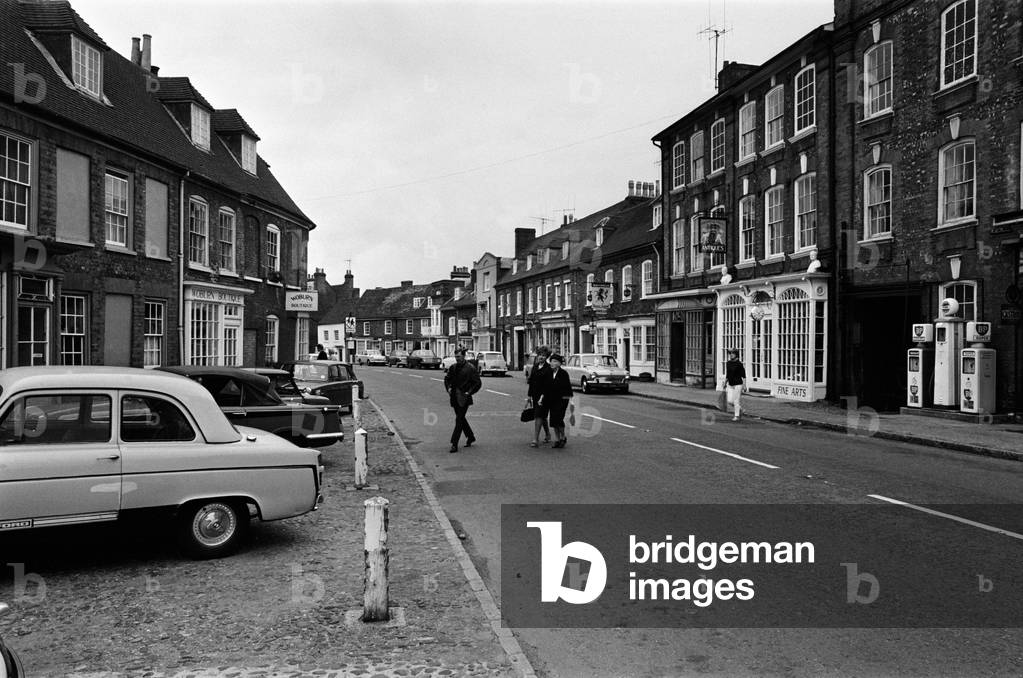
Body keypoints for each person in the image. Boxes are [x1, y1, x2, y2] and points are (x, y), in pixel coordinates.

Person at [444, 348, 482, 453]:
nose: (457, 359)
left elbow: (477, 383)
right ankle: (470, 436)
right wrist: (449, 388)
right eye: (456, 357)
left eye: (459, 357)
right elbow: (447, 379)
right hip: (455, 398)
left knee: (459, 419)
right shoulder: (453, 367)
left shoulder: (470, 368)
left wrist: (469, 392)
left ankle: (454, 444)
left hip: (464, 398)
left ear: (464, 356)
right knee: (461, 419)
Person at [539, 353, 573, 448]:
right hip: (551, 400)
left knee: (559, 419)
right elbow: (545, 386)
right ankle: (557, 439)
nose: (552, 363)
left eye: (554, 361)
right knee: (553, 420)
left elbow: (567, 388)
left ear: (559, 363)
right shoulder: (548, 373)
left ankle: (563, 437)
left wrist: (566, 400)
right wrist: (542, 397)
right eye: (551, 361)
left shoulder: (563, 374)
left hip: (562, 400)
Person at [527, 347, 552, 447]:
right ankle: (548, 434)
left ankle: (535, 439)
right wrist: (529, 396)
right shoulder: (535, 366)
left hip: (545, 396)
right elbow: (531, 382)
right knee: (542, 416)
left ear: (547, 357)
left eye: (544, 355)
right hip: (535, 395)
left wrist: (543, 396)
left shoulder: (548, 368)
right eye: (540, 355)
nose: (541, 357)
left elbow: (548, 384)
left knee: (538, 415)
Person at [725, 348, 748, 421]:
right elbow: (728, 374)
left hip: (738, 384)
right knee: (729, 401)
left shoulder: (739, 364)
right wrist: (725, 382)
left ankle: (737, 416)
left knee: (736, 400)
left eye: (733, 353)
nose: (731, 355)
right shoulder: (728, 363)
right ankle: (741, 410)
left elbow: (743, 376)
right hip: (730, 384)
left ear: (736, 354)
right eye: (730, 353)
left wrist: (744, 385)